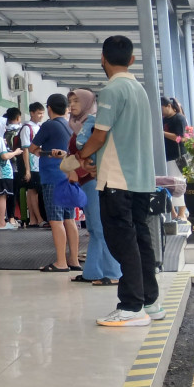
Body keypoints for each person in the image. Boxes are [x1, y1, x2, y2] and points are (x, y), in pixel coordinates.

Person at [76, 36, 164, 327]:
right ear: (132, 60)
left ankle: (131, 306)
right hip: (140, 178)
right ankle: (150, 301)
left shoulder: (112, 89)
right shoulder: (139, 89)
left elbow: (100, 135)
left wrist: (82, 156)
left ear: (103, 59)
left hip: (117, 179)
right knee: (141, 240)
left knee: (122, 242)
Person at [68, 89, 120, 286]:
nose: (72, 105)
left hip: (93, 180)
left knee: (100, 227)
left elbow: (97, 149)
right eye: (70, 102)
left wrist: (80, 163)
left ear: (87, 102)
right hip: (86, 181)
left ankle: (113, 271)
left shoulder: (92, 124)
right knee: (94, 228)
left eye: (76, 101)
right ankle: (93, 271)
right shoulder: (79, 125)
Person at [31, 94, 80, 272]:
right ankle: (73, 260)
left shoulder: (49, 125)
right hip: (68, 176)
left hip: (52, 176)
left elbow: (32, 148)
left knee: (55, 220)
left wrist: (44, 152)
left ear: (49, 108)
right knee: (70, 219)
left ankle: (61, 262)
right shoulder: (70, 125)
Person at [0, 116, 23, 230]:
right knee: (2, 195)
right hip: (2, 172)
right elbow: (4, 156)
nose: (5, 128)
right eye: (3, 125)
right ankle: (1, 222)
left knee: (0, 196)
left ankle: (1, 221)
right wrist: (16, 152)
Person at [20, 102, 46, 228]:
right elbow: (25, 149)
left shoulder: (38, 127)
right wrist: (28, 170)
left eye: (42, 113)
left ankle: (34, 219)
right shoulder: (27, 128)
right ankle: (38, 218)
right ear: (32, 113)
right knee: (33, 191)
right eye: (39, 113)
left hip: (38, 164)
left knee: (32, 191)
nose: (41, 116)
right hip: (33, 165)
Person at [162, 97, 188, 219]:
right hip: (166, 157)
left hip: (177, 157)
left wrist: (162, 133)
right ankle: (173, 213)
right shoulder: (163, 120)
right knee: (167, 186)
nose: (161, 112)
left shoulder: (179, 118)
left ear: (168, 105)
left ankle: (181, 214)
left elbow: (180, 138)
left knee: (180, 184)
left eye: (162, 108)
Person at [4, 107, 26, 224]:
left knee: (9, 193)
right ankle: (14, 217)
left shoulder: (3, 131)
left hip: (6, 167)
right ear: (18, 118)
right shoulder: (19, 131)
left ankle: (10, 217)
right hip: (17, 166)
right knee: (15, 192)